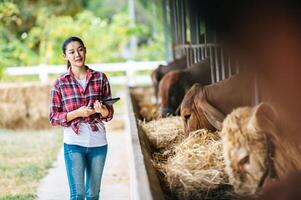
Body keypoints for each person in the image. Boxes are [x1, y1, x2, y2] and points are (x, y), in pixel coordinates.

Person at [49, 36, 114, 200]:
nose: (77, 55)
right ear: (65, 56)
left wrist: (102, 110)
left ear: (85, 50)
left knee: (92, 195)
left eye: (80, 50)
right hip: (73, 144)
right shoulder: (60, 83)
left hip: (99, 143)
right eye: (72, 52)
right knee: (77, 195)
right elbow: (53, 117)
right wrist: (77, 113)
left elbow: (109, 114)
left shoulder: (100, 78)